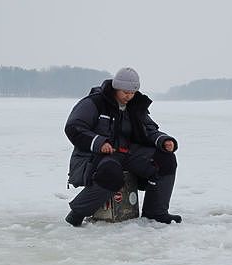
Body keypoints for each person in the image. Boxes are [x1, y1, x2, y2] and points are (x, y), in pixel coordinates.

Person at [64, 67, 182, 226]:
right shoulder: (95, 102)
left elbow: (149, 130)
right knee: (111, 174)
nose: (129, 96)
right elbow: (74, 127)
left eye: (132, 92)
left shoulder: (135, 106)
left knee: (165, 160)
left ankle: (156, 212)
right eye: (125, 92)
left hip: (128, 152)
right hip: (98, 155)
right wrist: (99, 143)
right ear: (115, 87)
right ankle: (77, 213)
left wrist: (164, 141)